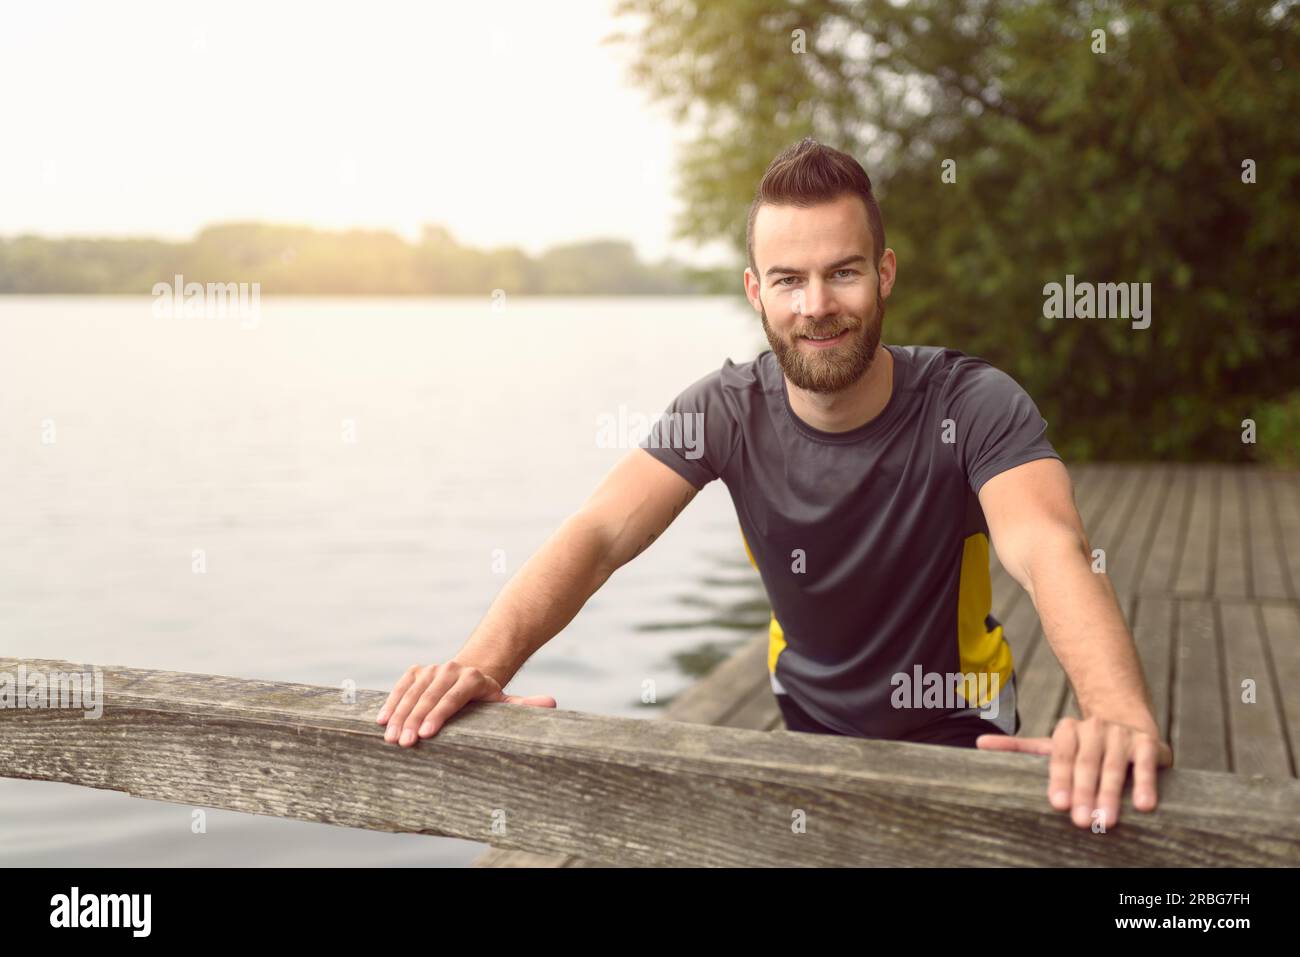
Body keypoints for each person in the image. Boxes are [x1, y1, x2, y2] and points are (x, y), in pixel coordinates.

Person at [376, 137, 1173, 831]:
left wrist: (1117, 714)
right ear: (757, 291)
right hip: (806, 729)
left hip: (960, 735)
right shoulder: (723, 410)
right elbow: (599, 534)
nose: (817, 306)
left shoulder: (972, 403)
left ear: (885, 273)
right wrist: (482, 664)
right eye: (789, 280)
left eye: (844, 273)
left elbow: (1047, 547)